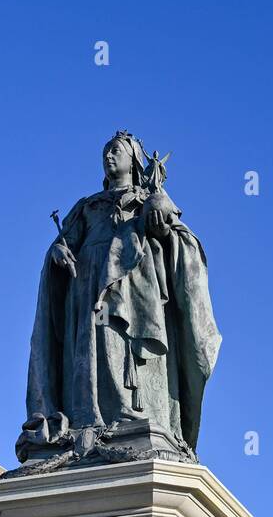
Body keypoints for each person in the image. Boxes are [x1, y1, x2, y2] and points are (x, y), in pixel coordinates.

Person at [19, 131, 221, 464]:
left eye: (115, 150)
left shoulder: (146, 201)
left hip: (134, 290)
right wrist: (58, 252)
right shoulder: (88, 207)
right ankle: (88, 419)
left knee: (121, 346)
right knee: (88, 353)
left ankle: (131, 417)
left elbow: (182, 244)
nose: (108, 156)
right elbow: (64, 244)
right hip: (85, 289)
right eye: (105, 152)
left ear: (133, 160)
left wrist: (161, 230)